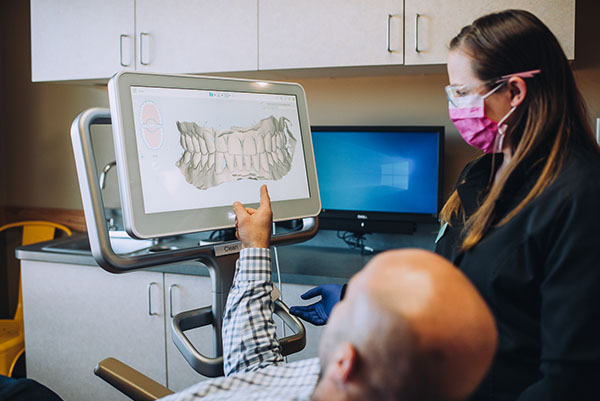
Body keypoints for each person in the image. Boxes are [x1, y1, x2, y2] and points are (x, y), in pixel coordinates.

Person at [293, 8, 600, 401]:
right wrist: (359, 296)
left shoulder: (580, 195)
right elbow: (453, 275)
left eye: (463, 91)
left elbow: (571, 380)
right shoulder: (480, 175)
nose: (455, 107)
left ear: (515, 92)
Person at [160, 185, 497, 401]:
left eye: (352, 302)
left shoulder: (295, 382)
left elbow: (253, 371)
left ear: (344, 362)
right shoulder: (417, 385)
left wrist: (254, 245)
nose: (342, 302)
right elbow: (258, 370)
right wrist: (257, 245)